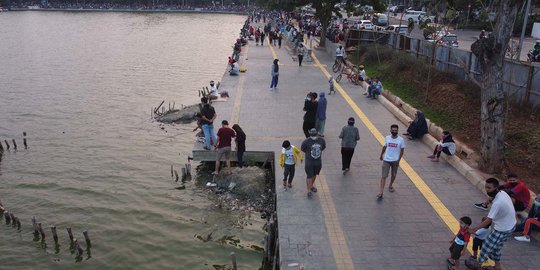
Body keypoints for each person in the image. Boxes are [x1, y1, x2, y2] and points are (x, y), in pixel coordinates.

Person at [468, 178, 516, 270]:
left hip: (503, 229)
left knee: (486, 247)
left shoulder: (498, 203)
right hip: (510, 225)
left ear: (496, 188)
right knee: (496, 248)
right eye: (486, 187)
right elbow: (492, 199)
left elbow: (488, 220)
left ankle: (477, 265)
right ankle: (497, 267)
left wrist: (474, 229)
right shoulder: (502, 193)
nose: (486, 190)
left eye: (489, 188)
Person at [377, 124, 405, 199]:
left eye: (396, 131)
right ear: (390, 130)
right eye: (393, 130)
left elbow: (402, 151)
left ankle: (390, 185)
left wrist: (398, 160)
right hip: (386, 159)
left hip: (395, 160)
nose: (394, 132)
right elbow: (384, 147)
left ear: (397, 131)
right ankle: (381, 192)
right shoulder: (387, 138)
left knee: (394, 174)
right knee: (384, 176)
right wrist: (381, 155)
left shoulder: (401, 140)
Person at [301, 128, 326, 199]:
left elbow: (323, 148)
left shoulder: (322, 140)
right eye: (312, 135)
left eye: (314, 135)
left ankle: (311, 186)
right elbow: (303, 149)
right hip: (309, 162)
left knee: (314, 174)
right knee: (309, 175)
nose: (314, 136)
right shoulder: (306, 141)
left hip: (318, 162)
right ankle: (309, 191)